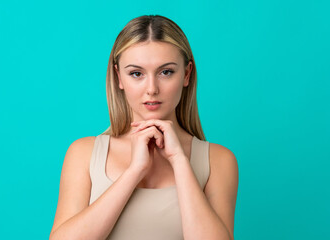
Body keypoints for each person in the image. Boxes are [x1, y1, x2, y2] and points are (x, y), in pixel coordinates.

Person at [49, 15, 238, 240]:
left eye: (166, 72)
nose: (151, 89)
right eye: (136, 73)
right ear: (119, 77)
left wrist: (179, 160)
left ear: (186, 74)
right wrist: (134, 171)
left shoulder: (218, 160)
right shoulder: (84, 153)